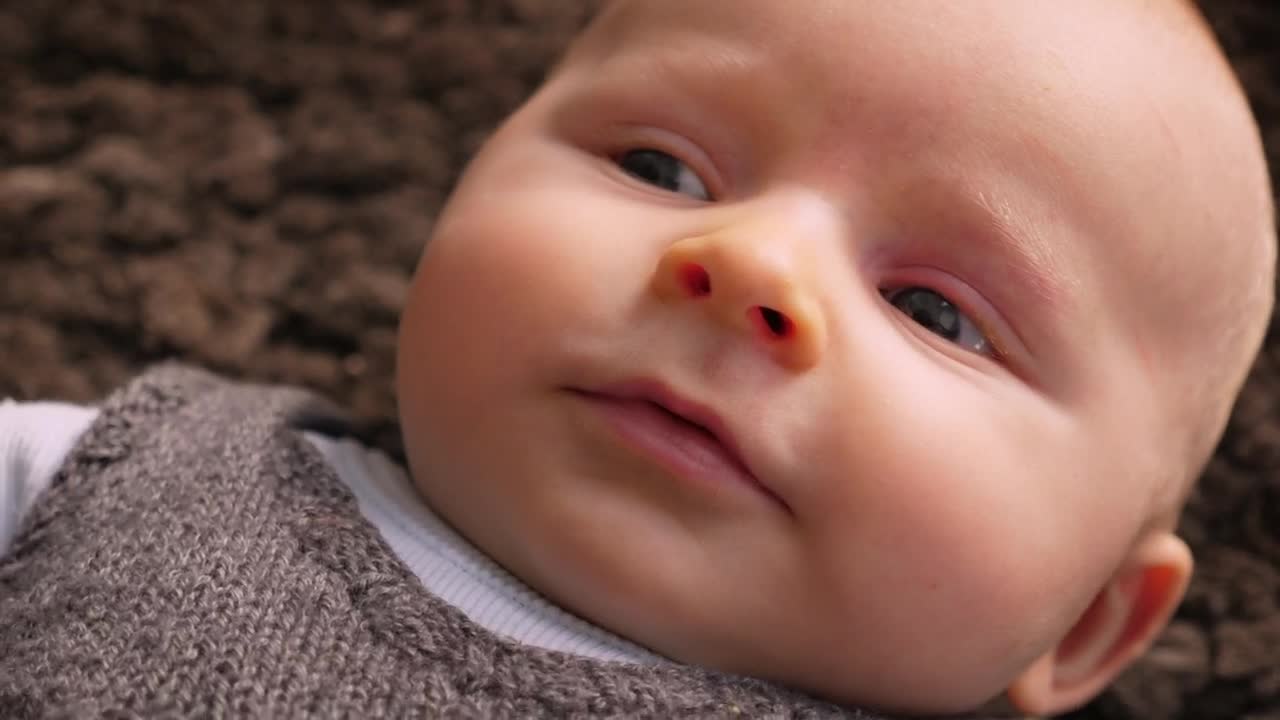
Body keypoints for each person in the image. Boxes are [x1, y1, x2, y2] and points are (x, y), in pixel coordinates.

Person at [1, 1, 1274, 716]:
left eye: (937, 313)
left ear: (1093, 623)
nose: (750, 262)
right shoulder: (134, 476)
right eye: (659, 168)